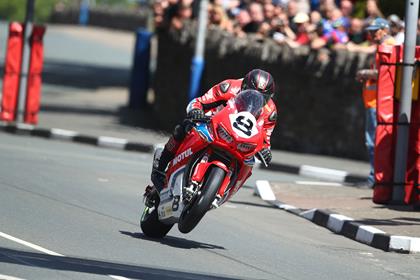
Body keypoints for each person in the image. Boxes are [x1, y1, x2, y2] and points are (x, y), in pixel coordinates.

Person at [147, 69, 278, 197]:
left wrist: (265, 150)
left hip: (240, 138)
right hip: (213, 122)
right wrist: (196, 111)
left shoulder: (270, 112)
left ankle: (225, 190)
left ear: (269, 98)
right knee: (184, 127)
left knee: (249, 162)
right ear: (243, 86)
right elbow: (200, 102)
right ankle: (161, 164)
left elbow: (265, 137)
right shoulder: (229, 87)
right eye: (249, 93)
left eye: (262, 97)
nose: (254, 100)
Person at [355, 18, 396, 188]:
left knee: (373, 142)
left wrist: (365, 73)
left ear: (384, 30)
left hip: (378, 102)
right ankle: (377, 178)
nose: (371, 34)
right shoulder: (383, 46)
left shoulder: (388, 45)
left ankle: (375, 178)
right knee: (372, 141)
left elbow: (384, 73)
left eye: (374, 31)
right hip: (374, 101)